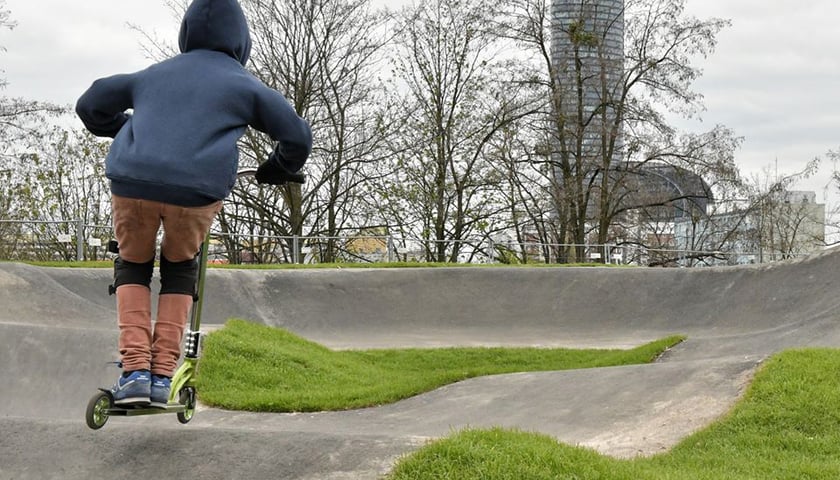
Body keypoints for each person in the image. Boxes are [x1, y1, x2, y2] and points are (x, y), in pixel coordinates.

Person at [75, 0, 312, 407]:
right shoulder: (245, 86)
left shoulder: (153, 74)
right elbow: (297, 137)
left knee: (132, 263)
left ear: (186, 34)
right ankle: (162, 374)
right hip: (196, 190)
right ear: (242, 41)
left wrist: (124, 129)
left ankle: (134, 372)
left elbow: (90, 103)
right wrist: (277, 168)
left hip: (132, 181)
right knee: (180, 268)